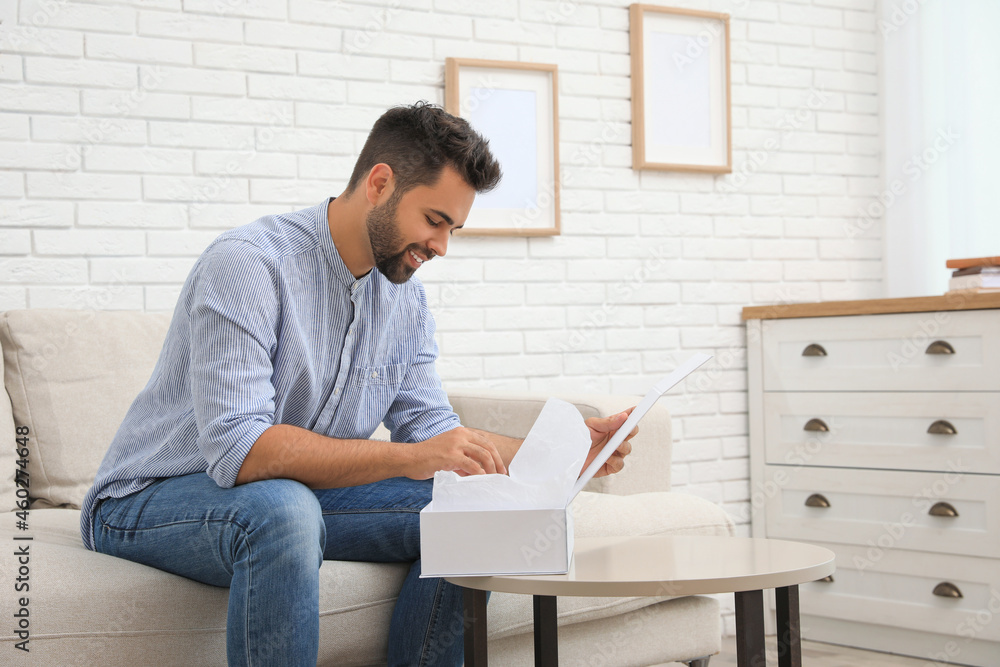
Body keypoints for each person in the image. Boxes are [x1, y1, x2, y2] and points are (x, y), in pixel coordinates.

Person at [81, 101, 636, 667]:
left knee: (478, 509)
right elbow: (238, 451)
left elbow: (437, 435)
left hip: (292, 490)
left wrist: (568, 453)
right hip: (149, 498)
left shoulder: (404, 299)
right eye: (434, 220)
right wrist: (409, 458)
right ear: (380, 184)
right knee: (284, 510)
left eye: (453, 228)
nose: (442, 246)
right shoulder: (248, 263)